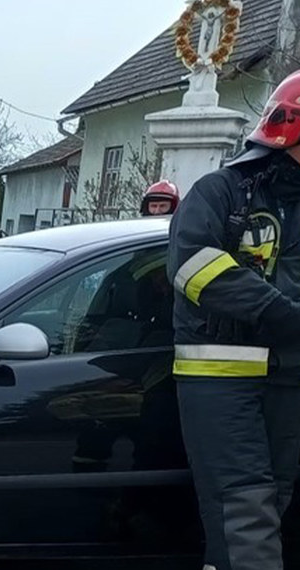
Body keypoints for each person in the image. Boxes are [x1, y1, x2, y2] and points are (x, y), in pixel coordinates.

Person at [168, 70, 300, 570]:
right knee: (245, 517)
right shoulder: (221, 193)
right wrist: (281, 313)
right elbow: (193, 266)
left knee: (271, 508)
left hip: (288, 379)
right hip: (222, 380)